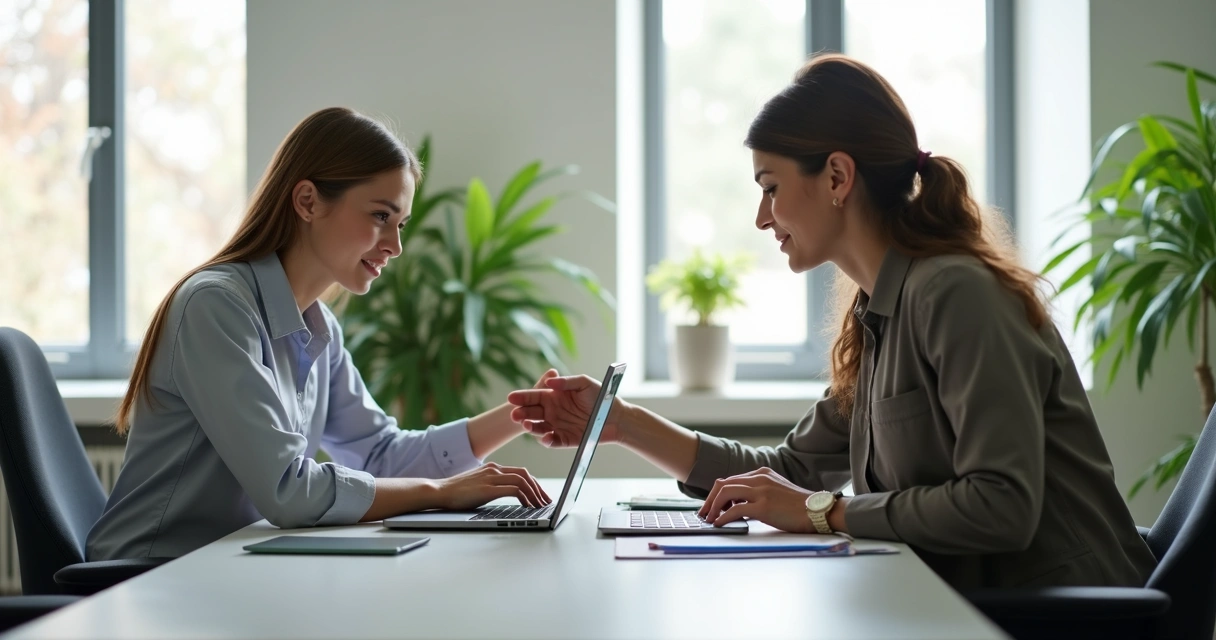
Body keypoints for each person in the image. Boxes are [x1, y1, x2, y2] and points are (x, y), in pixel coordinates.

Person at [507, 54, 1156, 590]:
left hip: (1056, 615)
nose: (762, 218)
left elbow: (1001, 506)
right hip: (963, 602)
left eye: (770, 186)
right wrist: (618, 424)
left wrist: (824, 513)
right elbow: (788, 470)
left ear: (838, 176)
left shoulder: (954, 295)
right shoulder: (879, 310)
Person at [88, 107, 553, 561]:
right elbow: (289, 490)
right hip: (149, 576)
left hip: (230, 567)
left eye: (400, 224)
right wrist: (439, 492)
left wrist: (526, 413)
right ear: (308, 201)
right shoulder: (216, 307)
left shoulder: (317, 325)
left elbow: (380, 455)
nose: (395, 246)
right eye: (379, 216)